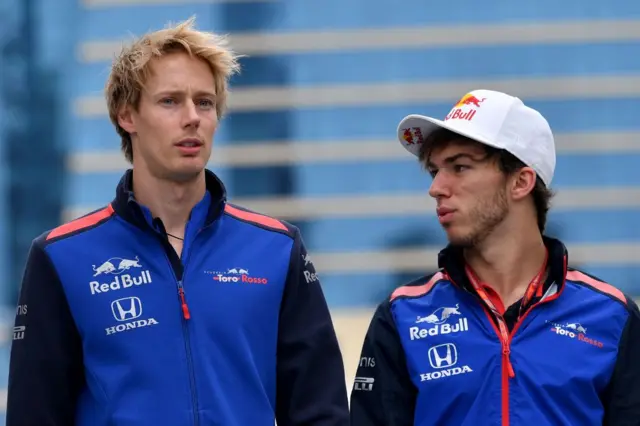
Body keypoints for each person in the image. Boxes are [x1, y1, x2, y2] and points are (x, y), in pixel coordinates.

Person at [6, 17, 350, 426]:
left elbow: (320, 412)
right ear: (126, 115)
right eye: (170, 101)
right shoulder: (62, 257)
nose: (192, 118)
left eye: (204, 102)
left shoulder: (277, 248)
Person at [349, 89, 640, 425]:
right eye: (434, 171)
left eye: (460, 167)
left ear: (520, 182)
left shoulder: (611, 316)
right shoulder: (402, 316)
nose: (437, 188)